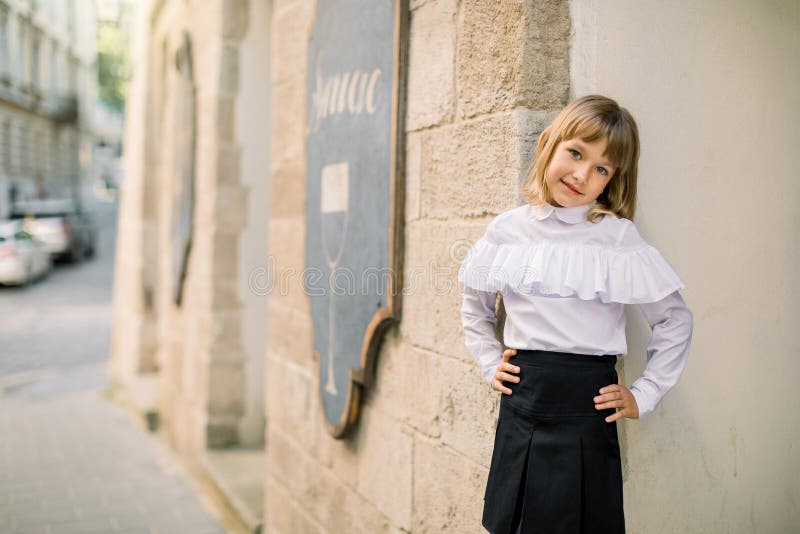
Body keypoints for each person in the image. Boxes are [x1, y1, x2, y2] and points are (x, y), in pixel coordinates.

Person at [458, 95, 694, 534]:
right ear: (549, 144)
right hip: (523, 402)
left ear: (612, 180)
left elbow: (675, 319)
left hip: (588, 409)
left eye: (602, 168)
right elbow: (474, 304)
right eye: (576, 153)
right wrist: (490, 362)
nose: (582, 174)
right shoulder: (509, 231)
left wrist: (644, 394)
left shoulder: (617, 239)